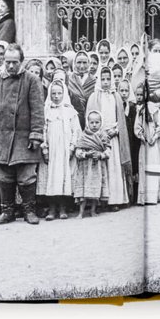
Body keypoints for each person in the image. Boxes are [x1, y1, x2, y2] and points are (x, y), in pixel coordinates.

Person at [0, 44, 46, 224]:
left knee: (27, 176)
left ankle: (29, 211)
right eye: (7, 62)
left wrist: (36, 134)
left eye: (15, 62)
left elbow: (38, 110)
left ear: (22, 62)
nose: (10, 66)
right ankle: (7, 212)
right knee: (4, 176)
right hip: (2, 138)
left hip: (24, 138)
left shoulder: (32, 80)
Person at [86, 65, 131, 209]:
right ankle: (100, 201)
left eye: (108, 79)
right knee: (101, 168)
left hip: (114, 137)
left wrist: (116, 130)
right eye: (103, 79)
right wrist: (101, 134)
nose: (106, 82)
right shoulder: (94, 96)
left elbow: (121, 119)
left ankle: (115, 200)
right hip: (100, 138)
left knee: (114, 167)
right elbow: (90, 118)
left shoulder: (116, 96)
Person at [38, 77, 79, 219]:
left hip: (65, 150)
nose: (56, 96)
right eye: (53, 93)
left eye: (59, 93)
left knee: (63, 177)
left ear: (64, 94)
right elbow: (43, 131)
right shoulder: (46, 111)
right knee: (51, 178)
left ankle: (63, 208)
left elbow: (75, 131)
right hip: (51, 150)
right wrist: (45, 149)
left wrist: (72, 147)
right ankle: (51, 209)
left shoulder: (70, 112)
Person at [73, 111, 111, 217]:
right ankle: (81, 212)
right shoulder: (83, 135)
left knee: (96, 188)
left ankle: (93, 210)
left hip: (97, 167)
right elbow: (78, 152)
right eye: (92, 122)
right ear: (87, 123)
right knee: (84, 189)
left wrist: (100, 155)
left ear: (101, 123)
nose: (94, 125)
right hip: (85, 167)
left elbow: (108, 151)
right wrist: (86, 154)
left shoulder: (103, 136)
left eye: (97, 122)